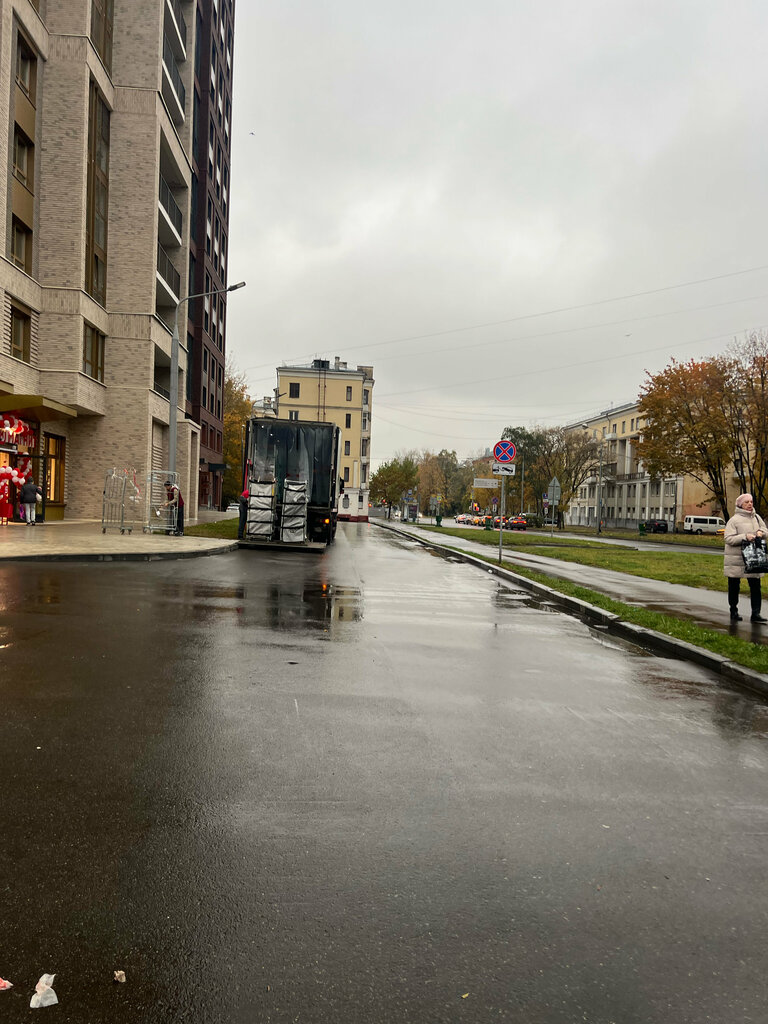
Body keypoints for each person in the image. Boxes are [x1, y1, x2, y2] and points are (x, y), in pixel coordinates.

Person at [723, 493, 768, 622]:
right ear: (740, 505)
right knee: (734, 586)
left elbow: (765, 530)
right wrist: (745, 536)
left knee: (755, 586)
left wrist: (761, 533)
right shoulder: (734, 520)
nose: (750, 504)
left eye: (751, 502)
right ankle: (734, 611)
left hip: (753, 558)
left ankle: (756, 613)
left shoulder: (757, 518)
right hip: (736, 559)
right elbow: (728, 539)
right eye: (746, 502)